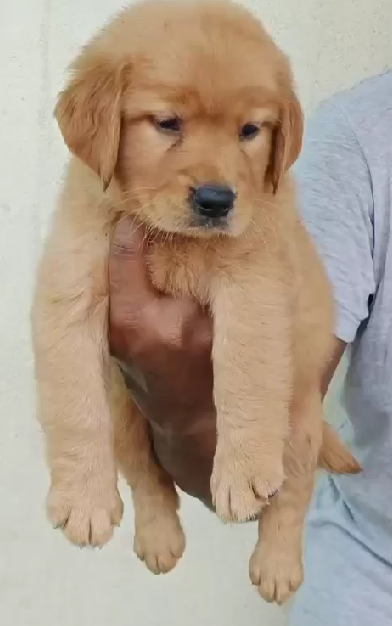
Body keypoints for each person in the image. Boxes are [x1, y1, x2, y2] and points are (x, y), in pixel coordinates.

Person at [109, 70, 392, 624]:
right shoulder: (364, 140)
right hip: (372, 570)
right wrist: (183, 405)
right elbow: (243, 466)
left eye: (247, 131)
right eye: (169, 123)